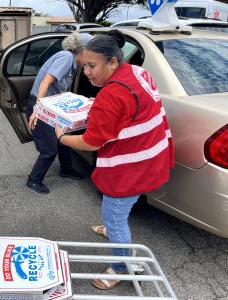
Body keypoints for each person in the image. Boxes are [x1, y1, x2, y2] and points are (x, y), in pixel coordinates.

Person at [55, 30, 174, 289]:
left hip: (130, 168)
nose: (86, 72)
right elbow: (129, 109)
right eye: (83, 65)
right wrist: (98, 104)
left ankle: (120, 268)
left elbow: (91, 141)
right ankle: (112, 230)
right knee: (121, 210)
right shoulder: (137, 72)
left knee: (115, 216)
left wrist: (62, 138)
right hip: (151, 155)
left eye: (92, 65)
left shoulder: (112, 95)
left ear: (112, 62)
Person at [26, 32, 93, 194]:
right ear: (81, 50)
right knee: (49, 149)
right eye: (91, 51)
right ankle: (33, 179)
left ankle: (66, 169)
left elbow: (62, 88)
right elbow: (46, 81)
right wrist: (38, 109)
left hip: (54, 106)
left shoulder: (74, 63)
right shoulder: (66, 57)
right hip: (43, 106)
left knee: (65, 138)